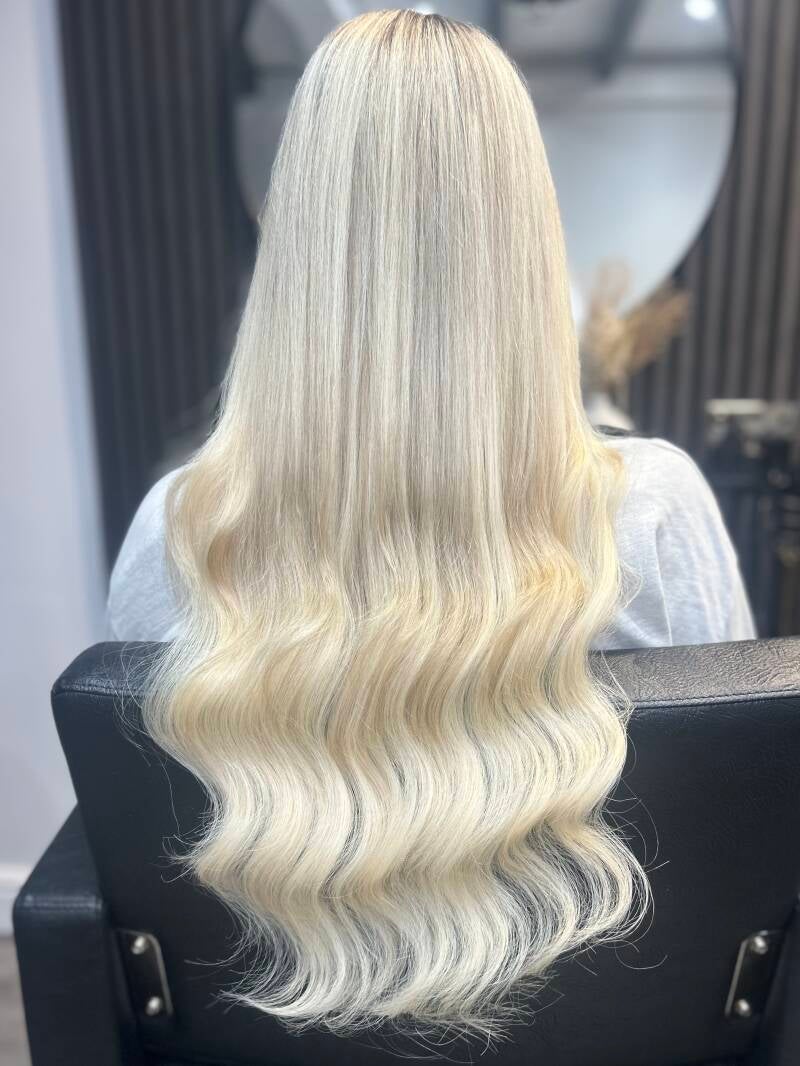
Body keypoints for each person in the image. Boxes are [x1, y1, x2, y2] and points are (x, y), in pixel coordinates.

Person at [107, 10, 755, 1039]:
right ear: (528, 230)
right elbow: (738, 815)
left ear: (297, 230)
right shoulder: (653, 509)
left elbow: (146, 850)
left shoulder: (178, 531)